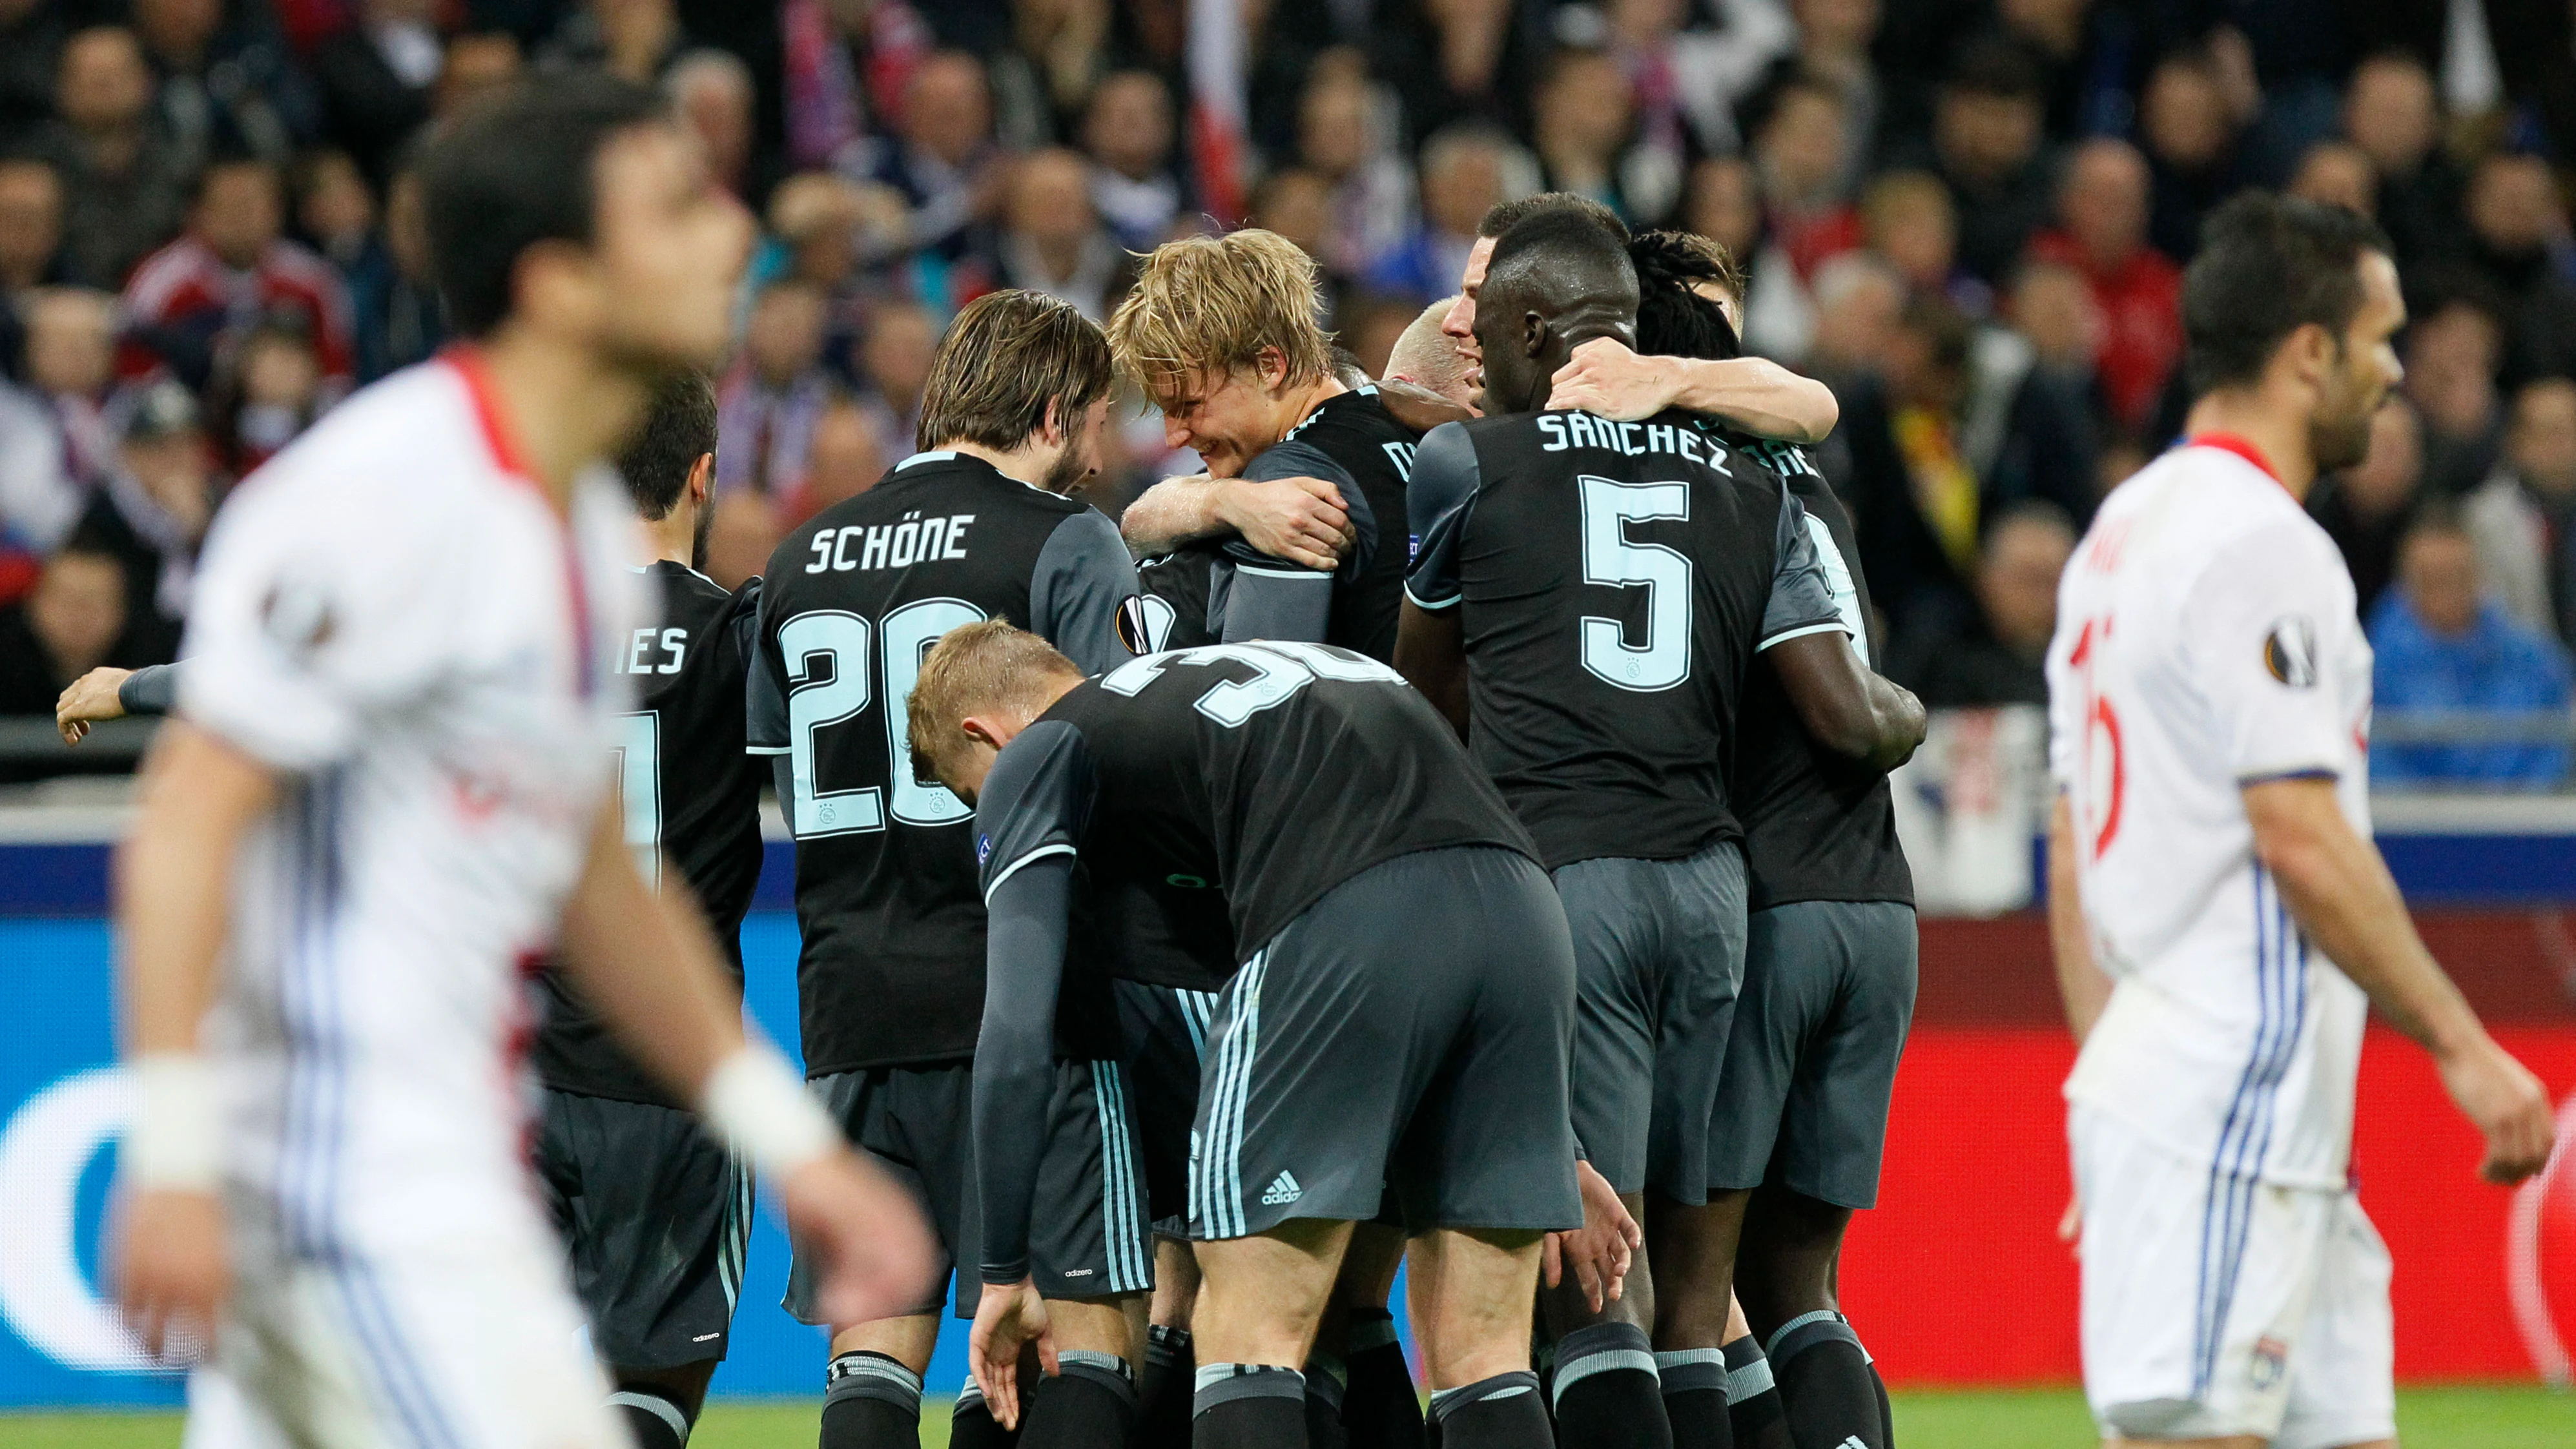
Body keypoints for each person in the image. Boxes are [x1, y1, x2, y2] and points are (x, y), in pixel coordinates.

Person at [107, 74, 936, 1449]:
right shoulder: (384, 496)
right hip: (348, 1190)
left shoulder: (562, 557)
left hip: (443, 1183)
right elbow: (192, 818)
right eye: (673, 207)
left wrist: (790, 1147)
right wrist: (177, 1155)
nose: (729, 233)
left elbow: (597, 880)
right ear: (559, 282)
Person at [1394, 210, 1923, 1449]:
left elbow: (1420, 693)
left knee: (1590, 1278)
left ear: (1530, 330)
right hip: (1716, 894)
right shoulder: (1745, 480)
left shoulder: (1473, 463)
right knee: (1706, 1287)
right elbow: (1838, 690)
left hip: (1568, 880)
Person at [2045, 194, 2557, 1449]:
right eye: (2378, 339)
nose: (2391, 373)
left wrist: (2100, 1070)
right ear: (2307, 351)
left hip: (2234, 1111)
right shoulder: (2260, 546)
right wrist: (2458, 1043)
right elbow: (2297, 835)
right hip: (2230, 1094)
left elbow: (2068, 828)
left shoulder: (2121, 531)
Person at [910, 622, 1583, 1449]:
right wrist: (1567, 1149)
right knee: (1483, 1357)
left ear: (986, 737)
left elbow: (1015, 1028)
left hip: (1347, 909)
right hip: (1526, 912)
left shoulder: (1036, 752)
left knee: (1246, 1339)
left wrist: (1005, 1269)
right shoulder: (1217, 685)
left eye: (969, 793)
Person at [747, 286, 1150, 1449]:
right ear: (1050, 409)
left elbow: (781, 772)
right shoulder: (1068, 539)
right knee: (1078, 1331)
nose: (1100, 450)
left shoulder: (795, 560)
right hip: (1031, 999)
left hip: (848, 1001)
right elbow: (1120, 756)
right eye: (1095, 421)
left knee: (872, 1346)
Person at [1598, 228, 1921, 1449]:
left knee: (1689, 1288)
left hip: (1756, 899)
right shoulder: (1803, 480)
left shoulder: (1675, 488)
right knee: (1800, 1287)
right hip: (1875, 898)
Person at [1110, 228, 1418, 661]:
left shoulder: (1293, 480)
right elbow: (1139, 522)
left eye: (1190, 405)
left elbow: (1258, 699)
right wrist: (1227, 502)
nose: (1173, 436)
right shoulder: (1380, 414)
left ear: (1268, 366)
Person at [1439, 192, 1839, 446]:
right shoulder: (1443, 384)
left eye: (1481, 295)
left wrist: (1666, 379)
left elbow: (1815, 407)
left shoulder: (1644, 385)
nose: (1455, 322)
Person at [2367, 506, 2572, 790]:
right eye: (2432, 579)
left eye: (2458, 577)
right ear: (2407, 584)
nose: (2446, 593)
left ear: (2478, 577)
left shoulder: (2533, 664)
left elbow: (2554, 749)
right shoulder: (2368, 670)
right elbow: (2375, 764)